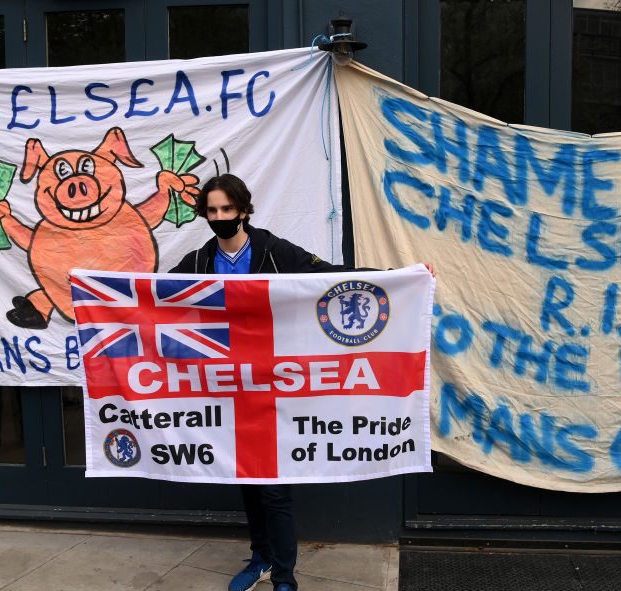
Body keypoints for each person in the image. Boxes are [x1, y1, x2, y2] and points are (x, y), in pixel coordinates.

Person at [171, 173, 433, 591]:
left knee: (274, 489)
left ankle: (285, 576)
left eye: (227, 209)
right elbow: (155, 298)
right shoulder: (200, 261)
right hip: (229, 388)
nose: (220, 217)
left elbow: (331, 279)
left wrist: (399, 276)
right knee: (248, 484)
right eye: (213, 210)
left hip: (278, 387)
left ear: (243, 210)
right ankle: (259, 559)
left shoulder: (274, 251)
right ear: (205, 213)